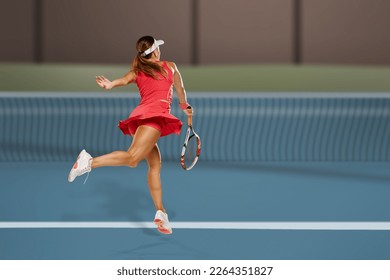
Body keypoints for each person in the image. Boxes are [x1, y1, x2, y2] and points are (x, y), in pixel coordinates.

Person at [67, 35, 192, 235]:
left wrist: (110, 85)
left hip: (142, 118)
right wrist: (185, 106)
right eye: (158, 48)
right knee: (133, 158)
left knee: (154, 165)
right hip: (153, 118)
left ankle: (161, 212)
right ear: (155, 52)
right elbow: (180, 89)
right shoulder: (171, 66)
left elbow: (123, 80)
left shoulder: (138, 71)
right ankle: (88, 161)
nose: (160, 50)